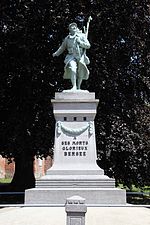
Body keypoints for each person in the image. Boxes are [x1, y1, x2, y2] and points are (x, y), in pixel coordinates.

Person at [53, 22, 90, 90]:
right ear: (69, 29)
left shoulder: (81, 36)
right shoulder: (67, 39)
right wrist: (56, 53)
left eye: (75, 27)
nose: (74, 28)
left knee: (81, 71)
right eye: (72, 28)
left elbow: (88, 45)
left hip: (80, 56)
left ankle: (79, 87)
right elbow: (62, 47)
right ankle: (74, 86)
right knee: (73, 69)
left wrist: (81, 43)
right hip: (71, 56)